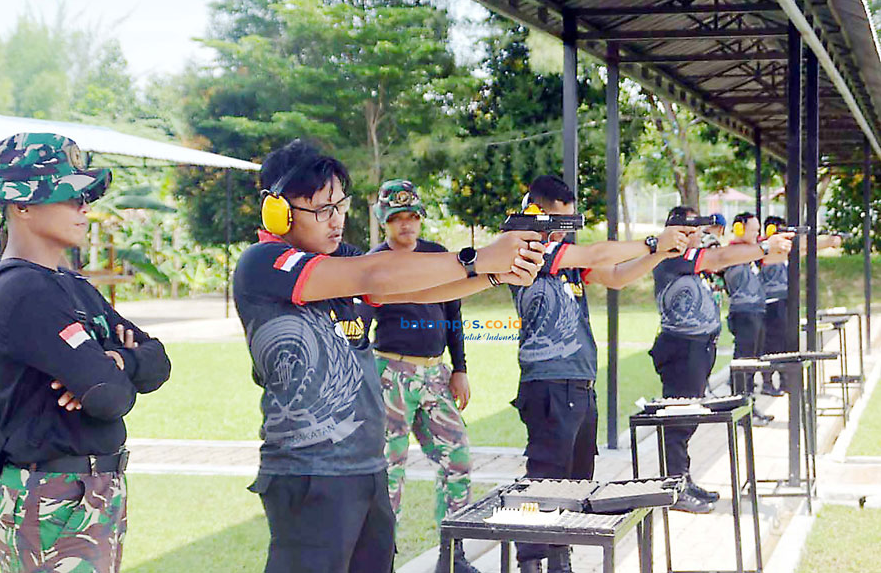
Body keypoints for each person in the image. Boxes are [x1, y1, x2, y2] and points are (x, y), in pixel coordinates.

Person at [232, 140, 546, 573]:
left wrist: (493, 272)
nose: (337, 220)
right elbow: (374, 272)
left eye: (340, 206)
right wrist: (477, 258)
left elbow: (412, 289)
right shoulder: (263, 263)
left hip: (365, 466)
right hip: (309, 473)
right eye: (321, 209)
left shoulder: (338, 260)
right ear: (277, 211)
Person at [0, 132, 172, 573]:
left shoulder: (72, 286)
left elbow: (158, 362)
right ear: (21, 205)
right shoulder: (20, 290)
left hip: (85, 488)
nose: (83, 207)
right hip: (51, 494)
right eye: (68, 195)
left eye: (83, 195)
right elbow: (110, 398)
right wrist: (109, 369)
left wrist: (119, 361)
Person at [509, 175, 691, 573]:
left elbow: (615, 275)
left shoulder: (569, 259)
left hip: (579, 383)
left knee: (576, 479)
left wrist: (660, 254)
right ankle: (531, 560)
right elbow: (595, 254)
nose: (566, 229)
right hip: (548, 382)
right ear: (536, 215)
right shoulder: (528, 248)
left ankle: (559, 555)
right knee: (545, 479)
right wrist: (651, 242)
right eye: (561, 220)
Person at [362, 179, 479, 573]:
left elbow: (454, 315)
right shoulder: (373, 262)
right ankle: (381, 560)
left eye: (413, 217)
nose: (407, 225)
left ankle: (453, 555)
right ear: (384, 221)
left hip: (435, 374)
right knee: (388, 470)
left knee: (458, 458)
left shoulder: (439, 257)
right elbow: (357, 326)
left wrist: (459, 368)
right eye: (398, 218)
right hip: (390, 375)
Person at [649, 206, 792, 514]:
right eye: (695, 229)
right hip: (681, 347)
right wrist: (765, 246)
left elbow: (720, 261)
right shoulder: (672, 255)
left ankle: (682, 480)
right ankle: (674, 486)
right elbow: (721, 259)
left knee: (688, 418)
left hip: (697, 347)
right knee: (679, 420)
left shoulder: (692, 255)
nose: (702, 234)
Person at [760, 216, 843, 395]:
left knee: (787, 341)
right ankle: (768, 381)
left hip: (785, 300)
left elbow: (802, 249)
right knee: (772, 343)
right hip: (771, 302)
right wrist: (827, 242)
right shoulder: (765, 250)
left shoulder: (784, 250)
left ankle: (785, 380)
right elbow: (802, 248)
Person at [723, 212, 774, 426]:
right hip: (744, 314)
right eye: (753, 230)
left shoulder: (751, 253)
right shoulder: (734, 252)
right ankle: (741, 408)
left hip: (755, 312)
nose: (757, 234)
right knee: (744, 364)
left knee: (752, 364)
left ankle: (749, 406)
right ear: (739, 229)